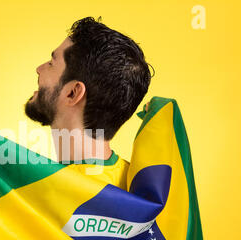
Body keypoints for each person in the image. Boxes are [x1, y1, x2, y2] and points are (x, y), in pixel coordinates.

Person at [24, 16, 153, 164]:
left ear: (73, 93)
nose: (39, 69)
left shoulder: (46, 186)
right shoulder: (133, 183)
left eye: (51, 63)